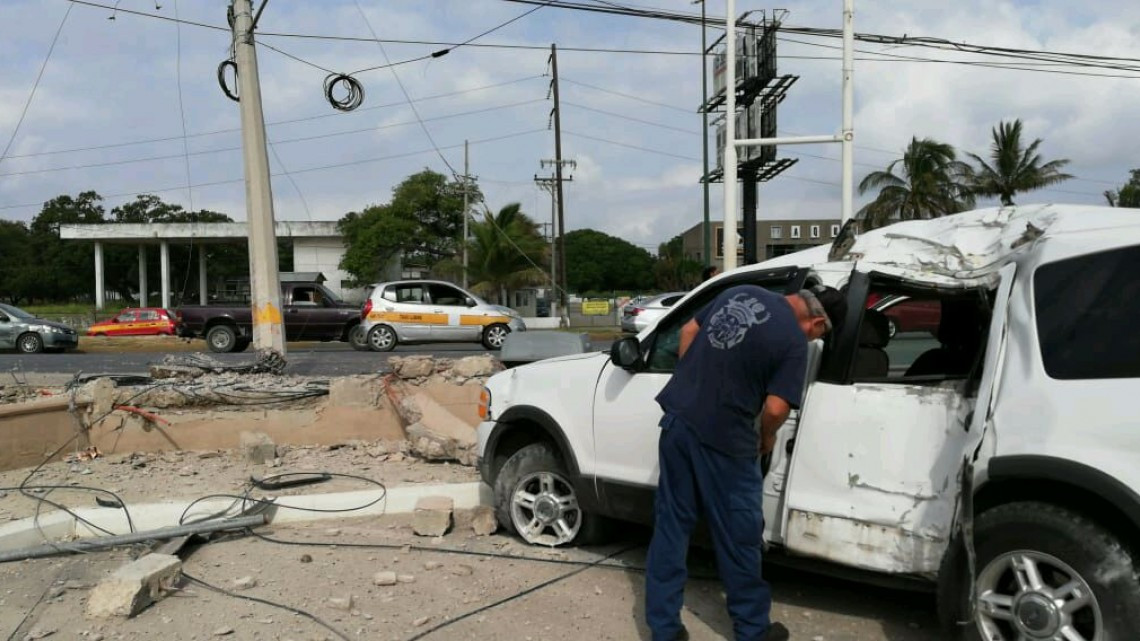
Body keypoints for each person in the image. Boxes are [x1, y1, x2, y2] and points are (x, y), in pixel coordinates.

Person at [646, 283, 847, 641]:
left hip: (678, 422)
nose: (816, 340)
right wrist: (767, 437)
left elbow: (689, 330)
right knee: (740, 536)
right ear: (816, 321)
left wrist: (697, 386)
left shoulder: (739, 292)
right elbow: (775, 408)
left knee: (672, 525)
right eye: (821, 334)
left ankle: (663, 629)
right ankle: (753, 630)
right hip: (727, 442)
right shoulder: (792, 342)